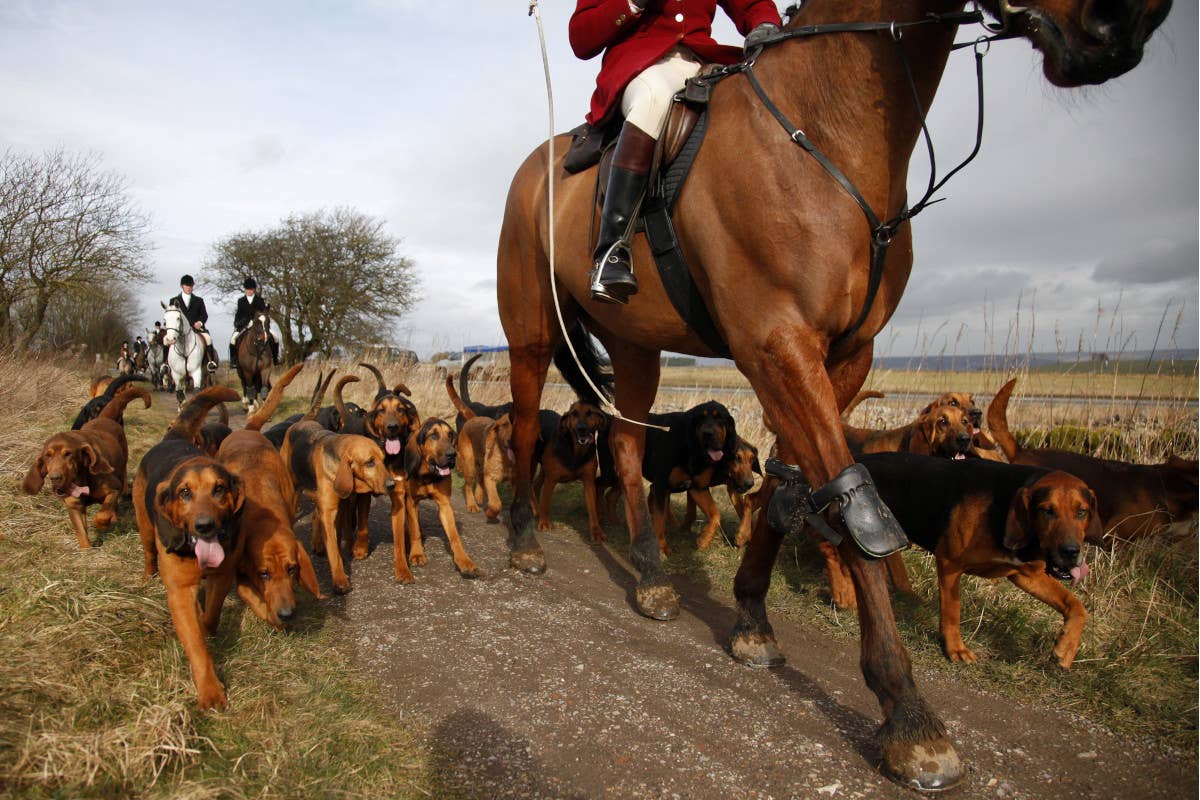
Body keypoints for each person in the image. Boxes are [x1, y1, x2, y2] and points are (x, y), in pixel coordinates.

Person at [569, 0, 780, 305]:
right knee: (653, 99)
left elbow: (751, 3)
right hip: (642, 66)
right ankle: (612, 251)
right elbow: (580, 38)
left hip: (705, 62)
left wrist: (763, 22)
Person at [168, 274, 219, 372]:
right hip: (179, 330)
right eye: (187, 285)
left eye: (190, 286)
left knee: (208, 338)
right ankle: (165, 364)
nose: (189, 288)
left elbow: (204, 315)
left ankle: (210, 362)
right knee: (166, 341)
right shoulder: (173, 300)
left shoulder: (199, 300)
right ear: (182, 286)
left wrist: (200, 323)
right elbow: (171, 316)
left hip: (196, 329)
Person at [229, 277, 280, 365]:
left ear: (254, 289)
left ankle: (275, 358)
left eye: (251, 289)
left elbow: (264, 313)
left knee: (275, 337)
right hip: (245, 325)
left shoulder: (260, 300)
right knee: (233, 340)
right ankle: (234, 361)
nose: (249, 291)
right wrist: (239, 323)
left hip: (259, 324)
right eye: (247, 289)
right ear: (245, 289)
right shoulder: (241, 301)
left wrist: (259, 321)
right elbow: (239, 314)